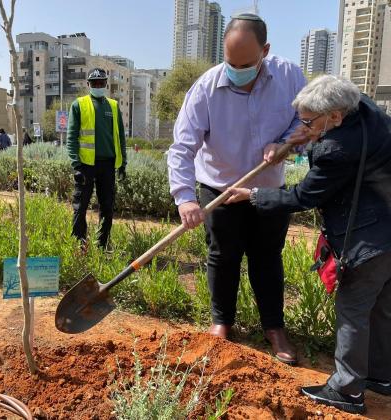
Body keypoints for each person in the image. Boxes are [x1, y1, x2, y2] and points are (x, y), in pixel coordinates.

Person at [227, 75, 391, 415]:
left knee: (353, 311)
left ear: (335, 116)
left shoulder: (335, 149)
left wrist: (254, 195)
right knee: (382, 306)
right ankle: (380, 375)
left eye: (308, 121)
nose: (303, 126)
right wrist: (311, 133)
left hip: (368, 238)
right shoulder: (368, 110)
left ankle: (347, 391)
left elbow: (303, 196)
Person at [167, 13, 306, 364]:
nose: (236, 70)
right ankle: (221, 323)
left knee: (267, 258)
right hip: (220, 188)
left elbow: (305, 119)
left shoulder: (289, 76)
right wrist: (184, 198)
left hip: (267, 188)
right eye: (230, 62)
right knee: (223, 257)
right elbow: (182, 148)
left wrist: (286, 143)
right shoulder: (206, 87)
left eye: (245, 64)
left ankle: (274, 328)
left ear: (265, 51)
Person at [67, 68, 127, 249]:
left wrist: (123, 163)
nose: (98, 86)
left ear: (106, 84)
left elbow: (120, 137)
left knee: (107, 207)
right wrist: (76, 165)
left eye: (101, 83)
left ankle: (103, 244)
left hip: (108, 165)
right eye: (95, 83)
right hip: (86, 165)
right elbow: (72, 137)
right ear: (88, 85)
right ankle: (79, 245)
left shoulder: (114, 106)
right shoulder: (79, 104)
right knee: (80, 206)